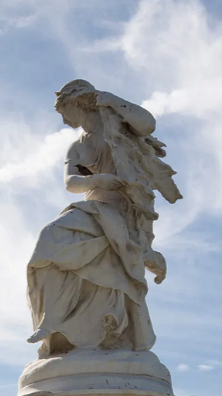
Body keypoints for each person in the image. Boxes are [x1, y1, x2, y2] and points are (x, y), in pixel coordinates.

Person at [26, 80, 182, 356]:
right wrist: (101, 179)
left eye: (63, 111)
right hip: (95, 206)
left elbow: (147, 124)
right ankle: (53, 320)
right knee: (49, 240)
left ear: (77, 102)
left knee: (108, 271)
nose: (63, 120)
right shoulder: (76, 147)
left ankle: (104, 329)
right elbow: (71, 182)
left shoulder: (118, 127)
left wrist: (106, 98)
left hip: (125, 209)